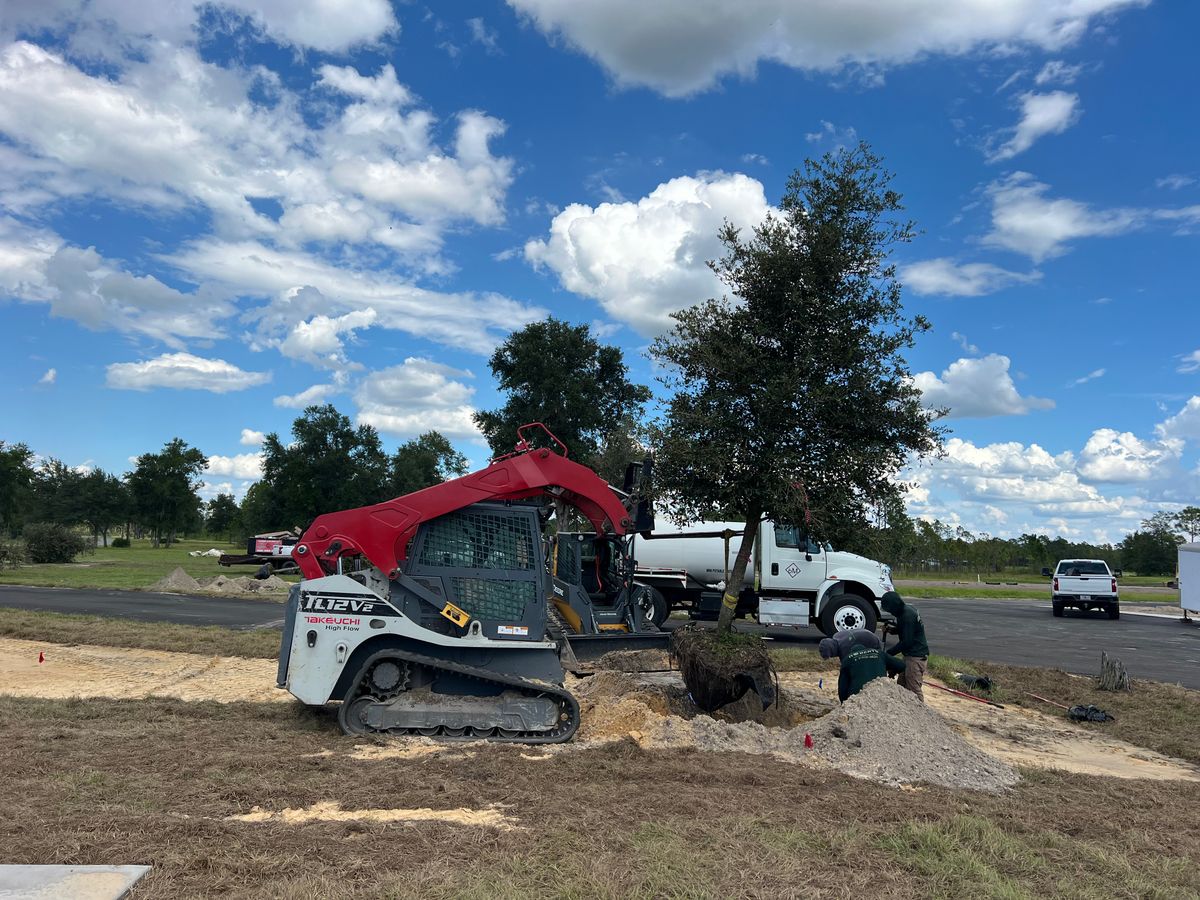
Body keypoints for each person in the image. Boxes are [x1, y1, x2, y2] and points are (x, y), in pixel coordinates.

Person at [880, 591, 929, 701]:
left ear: (894, 607)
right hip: (910, 656)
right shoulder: (905, 611)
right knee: (901, 685)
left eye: (889, 610)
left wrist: (888, 654)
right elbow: (906, 629)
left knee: (913, 690)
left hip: (915, 658)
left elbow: (907, 642)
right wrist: (891, 630)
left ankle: (921, 714)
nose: (890, 612)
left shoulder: (907, 616)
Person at [818, 628, 888, 703]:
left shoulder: (844, 649)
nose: (832, 657)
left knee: (870, 666)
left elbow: (847, 668)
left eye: (831, 655)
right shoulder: (836, 636)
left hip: (872, 642)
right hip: (867, 633)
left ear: (833, 650)